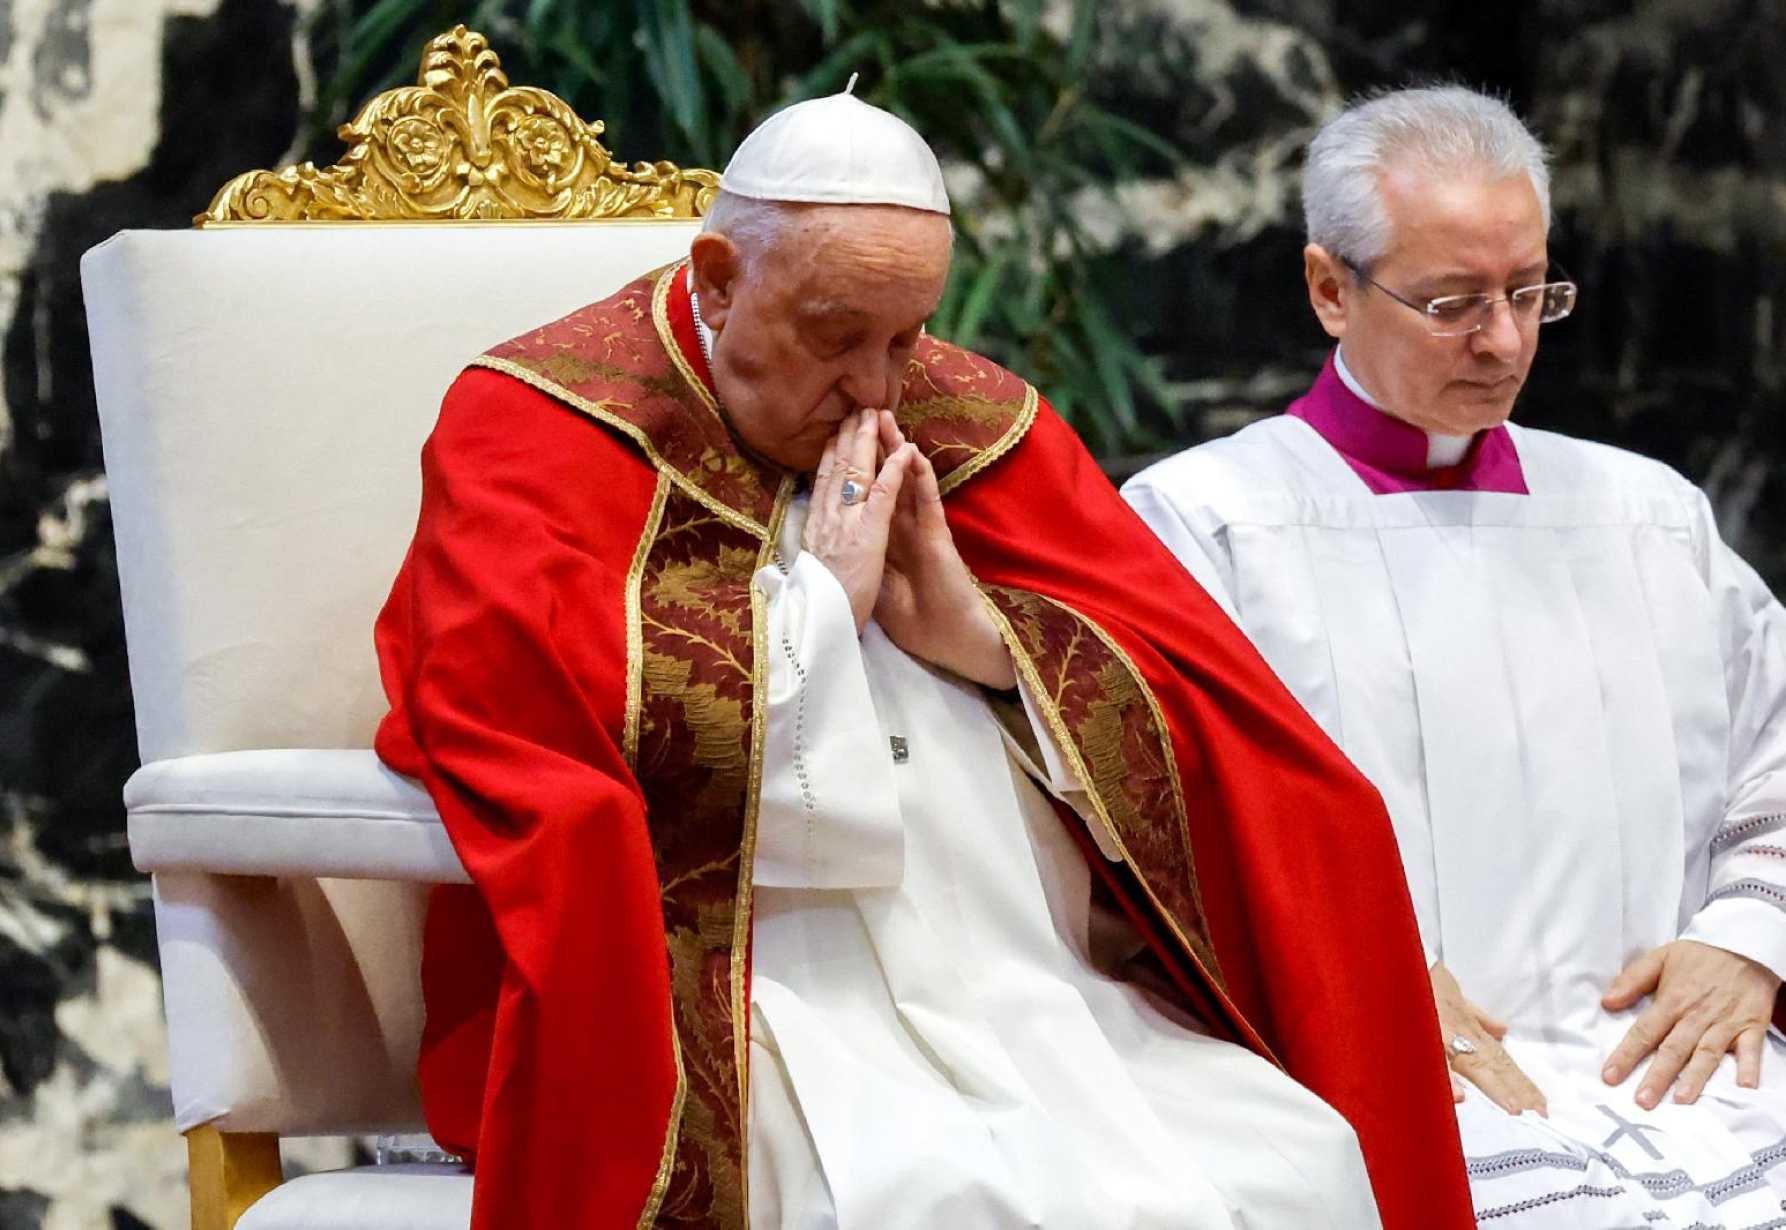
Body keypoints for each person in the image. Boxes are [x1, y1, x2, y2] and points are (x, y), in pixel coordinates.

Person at [373, 86, 1471, 1230]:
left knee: (1292, 1166)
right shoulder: (539, 426)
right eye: (836, 335)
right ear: (714, 279)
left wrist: (991, 646)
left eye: (909, 336)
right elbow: (512, 713)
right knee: (948, 1197)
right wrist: (819, 613)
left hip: (1020, 991)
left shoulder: (970, 421)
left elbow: (1207, 711)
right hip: (752, 1009)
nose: (882, 390)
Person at [1125, 84, 1786, 1227]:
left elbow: (1774, 746)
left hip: (1693, 1075)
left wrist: (1747, 939)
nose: (1506, 341)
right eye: (1452, 303)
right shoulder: (1205, 528)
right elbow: (1163, 824)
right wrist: (1353, 981)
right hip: (1391, 1082)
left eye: (1531, 292)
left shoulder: (1645, 515)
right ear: (1329, 288)